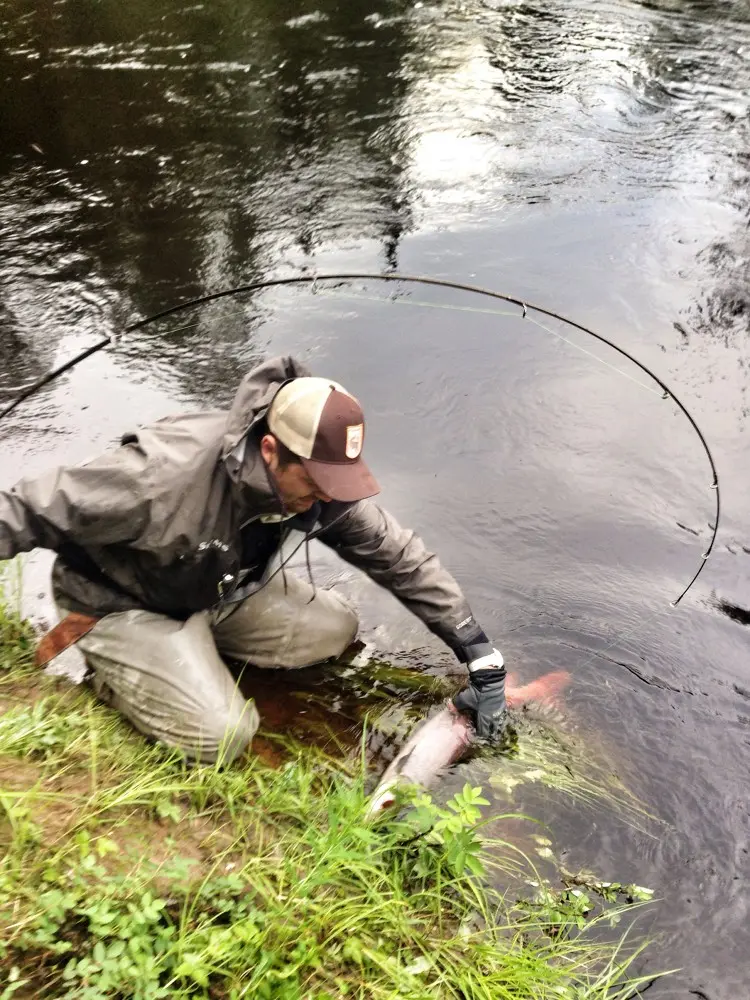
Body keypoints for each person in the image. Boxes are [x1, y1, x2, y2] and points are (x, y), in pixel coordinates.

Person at [0, 356, 507, 762]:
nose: (324, 498)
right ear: (270, 450)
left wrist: (477, 651)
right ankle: (117, 673)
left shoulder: (319, 485)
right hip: (123, 599)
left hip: (211, 587)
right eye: (313, 483)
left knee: (335, 629)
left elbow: (397, 555)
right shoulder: (158, 477)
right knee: (222, 736)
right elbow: (29, 506)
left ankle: (197, 653)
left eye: (336, 485)